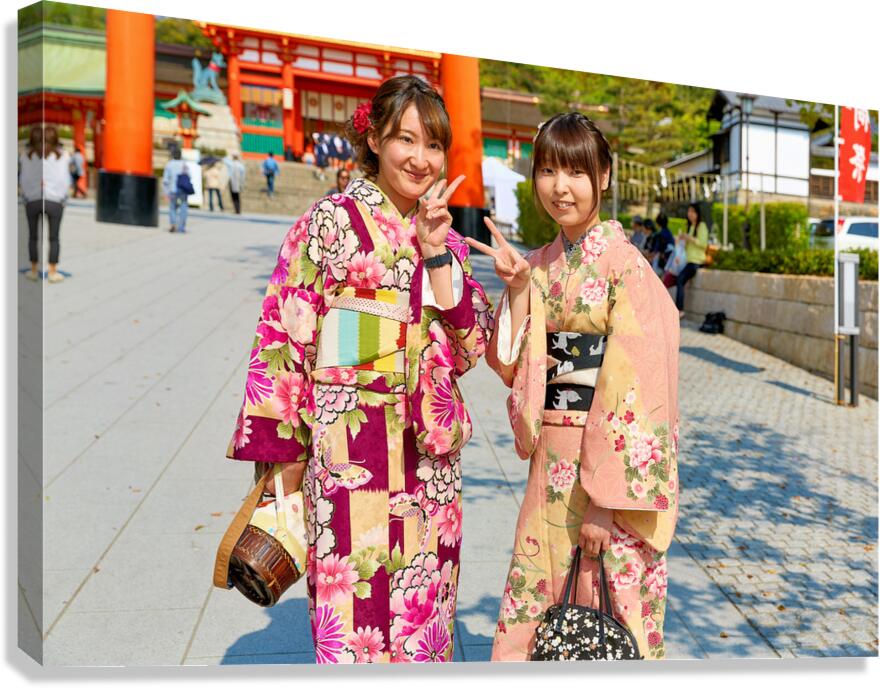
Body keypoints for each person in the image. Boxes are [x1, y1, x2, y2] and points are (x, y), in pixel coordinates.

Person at [226, 75, 494, 663]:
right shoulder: (327, 224)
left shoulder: (445, 240)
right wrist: (286, 460)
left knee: (426, 610)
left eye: (433, 145)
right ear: (373, 138)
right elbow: (284, 336)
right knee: (351, 615)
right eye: (405, 139)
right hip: (348, 445)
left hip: (428, 457)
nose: (420, 159)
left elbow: (474, 344)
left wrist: (434, 258)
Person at [467, 113, 680, 661]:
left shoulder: (628, 270)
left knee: (609, 615)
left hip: (605, 470)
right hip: (550, 467)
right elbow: (511, 364)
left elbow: (638, 389)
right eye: (547, 170)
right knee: (541, 603)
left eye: (576, 172)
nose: (560, 187)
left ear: (604, 176)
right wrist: (516, 293)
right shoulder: (537, 266)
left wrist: (607, 503)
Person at [19, 125, 70, 283]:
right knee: (54, 238)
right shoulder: (63, 156)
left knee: (33, 237)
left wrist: (27, 196)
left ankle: (34, 270)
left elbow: (24, 179)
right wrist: (62, 198)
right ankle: (52, 271)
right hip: (54, 202)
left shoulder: (25, 156)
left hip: (33, 201)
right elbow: (64, 180)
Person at [674, 203, 709, 318]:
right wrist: (680, 240)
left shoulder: (701, 226)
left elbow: (703, 244)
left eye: (693, 211)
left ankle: (680, 309)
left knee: (680, 280)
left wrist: (689, 238)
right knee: (677, 279)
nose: (690, 214)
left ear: (697, 213)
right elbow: (687, 247)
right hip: (689, 261)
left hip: (697, 261)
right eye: (689, 211)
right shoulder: (690, 227)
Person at [162, 147, 191, 233]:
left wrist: (165, 192)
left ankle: (173, 223)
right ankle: (181, 226)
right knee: (183, 207)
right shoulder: (184, 164)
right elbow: (189, 176)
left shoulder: (169, 164)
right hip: (183, 189)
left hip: (172, 189)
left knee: (172, 207)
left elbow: (166, 180)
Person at [647, 212, 675, 277]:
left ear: (657, 224)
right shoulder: (669, 233)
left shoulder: (660, 235)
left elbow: (656, 251)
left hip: (662, 263)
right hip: (670, 262)